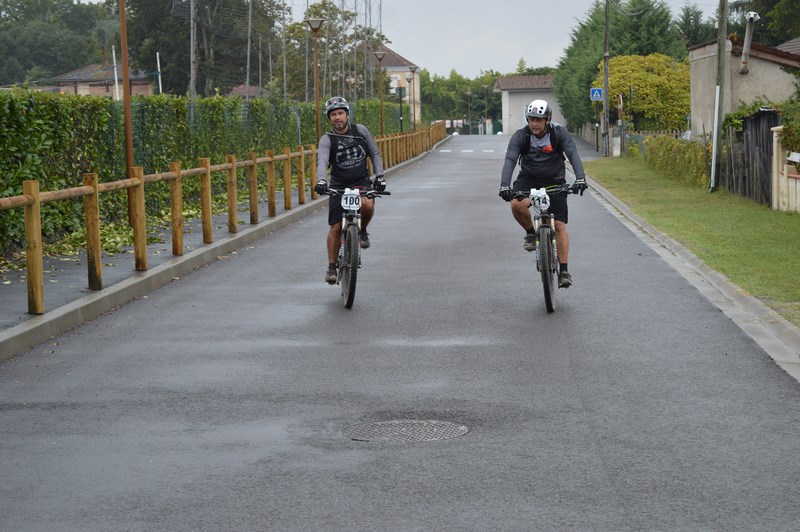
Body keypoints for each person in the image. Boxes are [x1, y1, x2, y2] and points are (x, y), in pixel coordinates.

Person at [498, 99, 588, 288]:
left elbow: (572, 153)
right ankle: (531, 233)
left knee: (560, 225)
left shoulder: (558, 133)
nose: (534, 124)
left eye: (538, 120)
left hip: (555, 178)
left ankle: (564, 271)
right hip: (529, 177)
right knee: (516, 204)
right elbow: (510, 159)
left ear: (548, 119)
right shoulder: (521, 136)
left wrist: (580, 178)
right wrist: (505, 185)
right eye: (531, 119)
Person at [314, 96, 386, 285]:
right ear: (330, 119)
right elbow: (321, 160)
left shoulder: (360, 131)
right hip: (338, 185)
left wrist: (380, 176)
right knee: (336, 227)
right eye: (333, 115)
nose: (337, 118)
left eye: (340, 113)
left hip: (361, 180)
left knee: (368, 204)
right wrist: (321, 180)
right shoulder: (327, 139)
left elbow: (374, 153)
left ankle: (362, 232)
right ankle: (331, 267)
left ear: (347, 115)